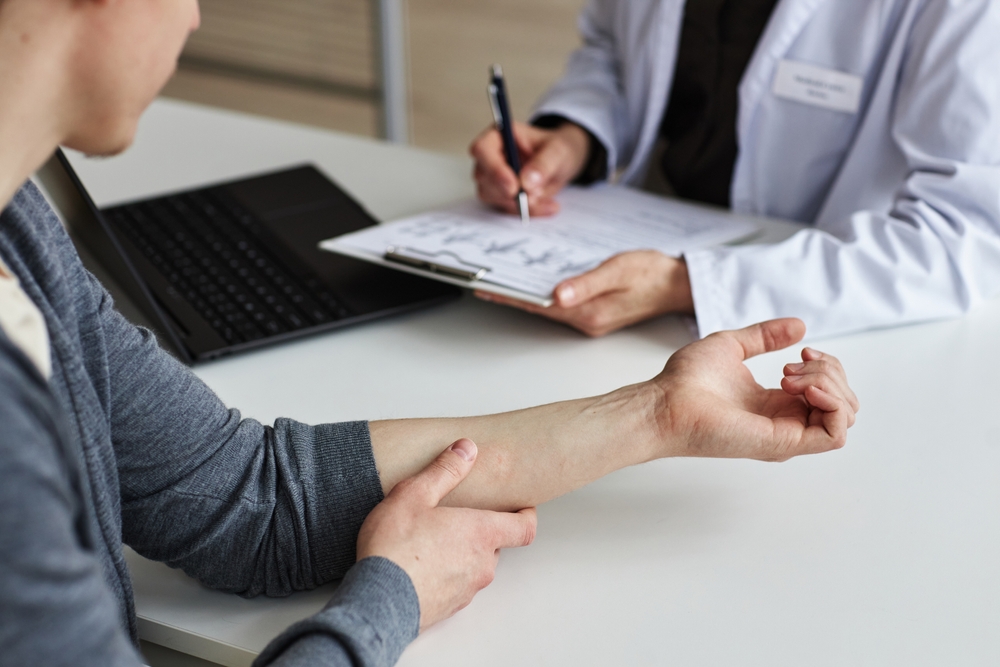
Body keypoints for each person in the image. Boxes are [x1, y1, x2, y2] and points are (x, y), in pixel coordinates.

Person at [0, 1, 859, 666]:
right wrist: (384, 603)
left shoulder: (21, 229)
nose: (193, 16)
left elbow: (244, 495)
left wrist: (659, 413)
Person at [471, 0, 1000, 339]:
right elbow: (611, 48)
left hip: (831, 320)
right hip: (640, 242)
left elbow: (964, 238)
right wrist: (575, 134)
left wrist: (689, 284)